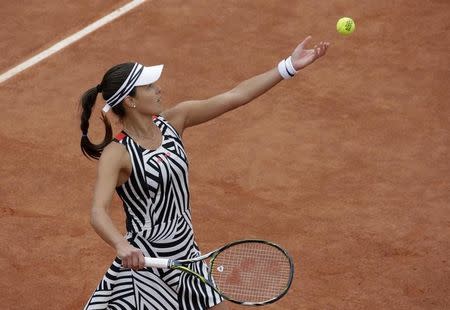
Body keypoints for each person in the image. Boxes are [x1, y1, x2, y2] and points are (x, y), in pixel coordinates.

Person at [80, 36, 329, 310]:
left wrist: (288, 67)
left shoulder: (175, 121)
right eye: (149, 87)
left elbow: (235, 96)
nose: (158, 89)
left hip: (186, 256)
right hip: (146, 265)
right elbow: (97, 211)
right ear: (130, 101)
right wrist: (120, 245)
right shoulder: (117, 154)